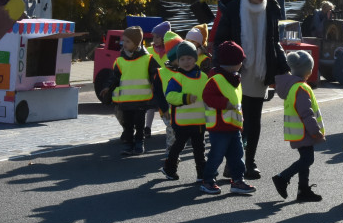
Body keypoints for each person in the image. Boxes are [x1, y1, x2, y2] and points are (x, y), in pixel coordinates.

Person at [213, 0, 290, 180]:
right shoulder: (232, 8)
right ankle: (232, 163)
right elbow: (220, 40)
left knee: (254, 121)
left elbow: (274, 41)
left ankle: (250, 162)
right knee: (236, 120)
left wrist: (283, 67)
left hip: (260, 71)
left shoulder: (271, 8)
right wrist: (218, 66)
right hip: (236, 72)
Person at [200, 41, 255, 196]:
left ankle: (238, 180)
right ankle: (208, 180)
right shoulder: (216, 79)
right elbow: (207, 97)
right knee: (216, 155)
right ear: (232, 63)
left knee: (237, 155)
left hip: (233, 126)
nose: (241, 64)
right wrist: (225, 104)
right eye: (239, 61)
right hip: (219, 126)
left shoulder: (234, 78)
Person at [272, 50, 324, 202]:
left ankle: (303, 189)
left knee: (305, 159)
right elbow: (306, 113)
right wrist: (315, 131)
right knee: (308, 160)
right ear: (308, 71)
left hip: (298, 131)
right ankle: (283, 177)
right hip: (304, 131)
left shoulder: (292, 86)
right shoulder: (301, 88)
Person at [100, 26, 156, 156]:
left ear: (137, 43)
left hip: (141, 99)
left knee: (140, 124)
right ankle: (128, 144)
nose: (124, 44)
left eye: (127, 41)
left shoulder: (147, 59)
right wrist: (108, 87)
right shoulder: (120, 60)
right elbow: (114, 77)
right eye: (123, 41)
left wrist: (154, 83)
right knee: (128, 124)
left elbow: (155, 74)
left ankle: (139, 143)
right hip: (125, 100)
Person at [161, 41, 211, 185]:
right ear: (177, 61)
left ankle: (201, 174)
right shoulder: (177, 78)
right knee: (178, 146)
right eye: (182, 59)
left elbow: (208, 95)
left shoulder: (203, 77)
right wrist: (185, 98)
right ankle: (169, 168)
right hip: (181, 121)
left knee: (199, 148)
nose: (186, 62)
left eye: (189, 58)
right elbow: (169, 96)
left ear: (195, 58)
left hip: (200, 121)